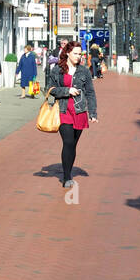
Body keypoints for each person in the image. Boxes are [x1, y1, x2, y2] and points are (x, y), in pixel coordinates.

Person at [48, 40, 99, 189]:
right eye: (75, 54)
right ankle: (66, 177)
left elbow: (90, 92)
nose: (78, 56)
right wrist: (66, 91)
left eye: (80, 54)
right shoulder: (57, 70)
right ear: (68, 53)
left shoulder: (83, 71)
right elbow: (50, 89)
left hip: (79, 110)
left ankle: (68, 171)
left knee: (73, 145)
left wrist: (93, 112)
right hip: (63, 109)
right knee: (68, 142)